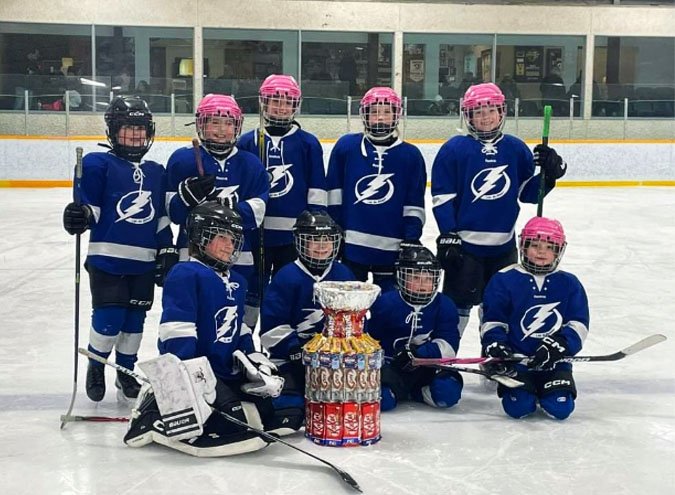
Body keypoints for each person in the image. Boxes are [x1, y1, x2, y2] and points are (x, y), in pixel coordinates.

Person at [124, 202, 294, 456]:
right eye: (222, 238)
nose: (230, 246)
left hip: (224, 370)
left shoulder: (237, 280)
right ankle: (156, 410)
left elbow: (240, 330)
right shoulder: (185, 273)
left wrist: (253, 363)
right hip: (196, 372)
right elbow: (177, 331)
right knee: (228, 419)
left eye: (234, 240)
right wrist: (191, 379)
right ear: (200, 238)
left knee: (271, 410)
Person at [62, 96, 177, 402]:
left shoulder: (156, 171)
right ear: (113, 130)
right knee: (109, 318)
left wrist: (166, 249)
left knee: (134, 322)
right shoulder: (97, 164)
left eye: (141, 128)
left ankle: (125, 372)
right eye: (129, 127)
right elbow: (91, 209)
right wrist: (80, 215)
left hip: (143, 262)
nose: (136, 134)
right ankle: (97, 366)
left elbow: (160, 218)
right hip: (107, 260)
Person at [431, 82, 567, 336]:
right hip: (465, 248)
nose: (486, 117)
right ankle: (445, 356)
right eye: (478, 111)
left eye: (491, 110)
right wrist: (448, 233)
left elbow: (527, 194)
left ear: (502, 112)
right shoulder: (454, 149)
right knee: (455, 311)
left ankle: (495, 357)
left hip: (504, 249)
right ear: (468, 115)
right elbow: (443, 197)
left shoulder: (515, 148)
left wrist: (549, 175)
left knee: (498, 309)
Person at [165, 94, 269, 328]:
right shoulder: (182, 160)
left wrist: (225, 208)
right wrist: (186, 198)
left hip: (240, 256)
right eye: (214, 122)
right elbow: (172, 212)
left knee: (237, 319)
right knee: (196, 315)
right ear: (201, 125)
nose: (222, 130)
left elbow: (258, 211)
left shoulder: (250, 163)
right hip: (193, 254)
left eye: (228, 123)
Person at [238, 74, 327, 328]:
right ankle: (246, 346)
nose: (280, 107)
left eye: (286, 102)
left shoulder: (308, 143)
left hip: (294, 238)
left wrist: (314, 230)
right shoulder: (248, 141)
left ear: (295, 105)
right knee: (251, 292)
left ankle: (283, 346)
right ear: (263, 104)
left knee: (288, 291)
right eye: (274, 101)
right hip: (256, 234)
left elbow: (317, 190)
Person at [480, 217, 589, 420]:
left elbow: (578, 323)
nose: (541, 252)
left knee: (560, 408)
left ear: (558, 251)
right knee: (518, 407)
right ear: (523, 246)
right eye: (535, 246)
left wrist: (560, 345)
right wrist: (496, 344)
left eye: (549, 247)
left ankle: (547, 390)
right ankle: (529, 391)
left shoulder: (570, 283)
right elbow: (493, 321)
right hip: (518, 362)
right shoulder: (504, 279)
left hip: (555, 363)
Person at [259, 210, 355, 432]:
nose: (321, 246)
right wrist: (294, 349)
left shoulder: (344, 275)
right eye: (313, 239)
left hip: (335, 363)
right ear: (301, 242)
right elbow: (271, 328)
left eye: (327, 239)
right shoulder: (286, 276)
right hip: (292, 362)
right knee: (288, 408)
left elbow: (355, 320)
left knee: (348, 408)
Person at [326, 86, 427, 292]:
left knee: (389, 311)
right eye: (374, 112)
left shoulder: (411, 155)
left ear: (396, 115)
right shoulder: (346, 147)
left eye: (386, 112)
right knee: (349, 310)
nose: (380, 118)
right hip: (351, 248)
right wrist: (334, 233)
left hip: (393, 249)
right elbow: (334, 195)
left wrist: (411, 238)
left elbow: (414, 202)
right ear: (364, 115)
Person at [367, 245, 462, 411]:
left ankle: (413, 392)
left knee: (447, 394)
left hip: (428, 369)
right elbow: (370, 340)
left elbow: (449, 345)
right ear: (402, 277)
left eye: (428, 279)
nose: (422, 285)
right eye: (416, 278)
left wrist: (419, 353)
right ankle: (399, 390)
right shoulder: (386, 303)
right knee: (383, 401)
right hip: (393, 369)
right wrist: (387, 363)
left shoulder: (445, 305)